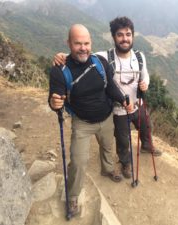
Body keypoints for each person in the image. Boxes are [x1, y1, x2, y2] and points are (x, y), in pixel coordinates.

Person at [53, 17, 162, 181]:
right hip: (119, 110)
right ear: (113, 37)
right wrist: (62, 57)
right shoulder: (104, 56)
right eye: (120, 35)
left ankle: (147, 145)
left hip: (137, 104)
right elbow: (82, 54)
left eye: (128, 34)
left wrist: (145, 83)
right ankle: (125, 162)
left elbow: (145, 75)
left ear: (133, 36)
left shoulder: (140, 57)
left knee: (146, 126)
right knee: (123, 140)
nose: (124, 38)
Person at [49, 24, 132, 215]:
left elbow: (110, 87)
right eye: (78, 43)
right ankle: (72, 196)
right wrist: (54, 103)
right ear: (68, 43)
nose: (83, 48)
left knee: (107, 146)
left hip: (106, 117)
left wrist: (123, 99)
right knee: (78, 161)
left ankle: (108, 169)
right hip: (82, 123)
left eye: (86, 43)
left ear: (91, 42)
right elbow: (56, 98)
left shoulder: (100, 62)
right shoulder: (60, 70)